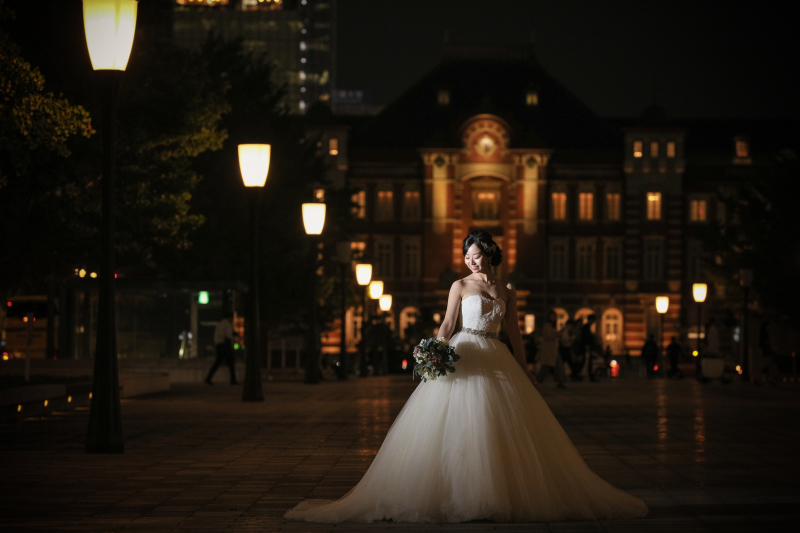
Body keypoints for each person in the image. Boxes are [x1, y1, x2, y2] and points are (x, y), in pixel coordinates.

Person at [286, 229, 647, 523]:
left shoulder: (506, 290)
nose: (472, 260)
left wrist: (526, 369)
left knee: (499, 422)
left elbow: (516, 334)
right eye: (467, 256)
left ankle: (498, 492)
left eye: (477, 254)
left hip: (496, 353)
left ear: (490, 253)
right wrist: (433, 351)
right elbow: (447, 323)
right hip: (464, 351)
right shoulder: (460, 285)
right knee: (458, 421)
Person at [205, 311, 238, 385]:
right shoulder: (226, 324)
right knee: (231, 362)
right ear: (230, 317)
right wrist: (235, 335)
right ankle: (233, 380)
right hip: (225, 345)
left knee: (217, 363)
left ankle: (208, 378)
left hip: (219, 345)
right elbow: (227, 335)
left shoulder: (220, 323)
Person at [536, 310, 566, 389]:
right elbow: (547, 336)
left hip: (553, 350)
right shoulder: (547, 326)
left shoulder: (552, 326)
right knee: (546, 366)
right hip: (549, 350)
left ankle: (560, 382)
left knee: (558, 366)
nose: (554, 317)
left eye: (554, 316)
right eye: (552, 316)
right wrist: (558, 334)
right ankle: (536, 381)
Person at [577, 314, 600, 382]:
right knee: (586, 362)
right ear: (591, 320)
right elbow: (585, 338)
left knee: (587, 362)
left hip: (586, 347)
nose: (594, 322)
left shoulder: (586, 327)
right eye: (593, 320)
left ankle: (586, 376)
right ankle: (581, 375)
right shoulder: (586, 328)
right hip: (586, 347)